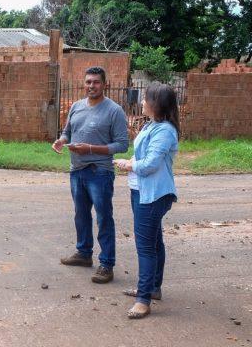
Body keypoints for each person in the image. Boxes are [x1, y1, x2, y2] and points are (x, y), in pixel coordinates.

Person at [52, 67, 129, 284]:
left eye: (96, 82)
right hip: (77, 170)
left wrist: (91, 149)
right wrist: (61, 140)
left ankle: (106, 264)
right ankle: (84, 253)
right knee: (81, 214)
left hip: (100, 172)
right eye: (88, 82)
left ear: (104, 84)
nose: (91, 86)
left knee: (104, 217)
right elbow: (67, 131)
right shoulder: (76, 106)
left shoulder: (114, 111)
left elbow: (122, 145)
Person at [113, 83, 179, 319]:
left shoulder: (165, 131)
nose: (142, 102)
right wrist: (131, 159)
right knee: (154, 242)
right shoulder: (153, 125)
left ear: (157, 103)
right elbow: (143, 154)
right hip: (141, 191)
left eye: (146, 99)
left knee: (146, 248)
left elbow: (150, 164)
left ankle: (144, 299)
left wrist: (127, 165)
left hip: (152, 195)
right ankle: (152, 288)